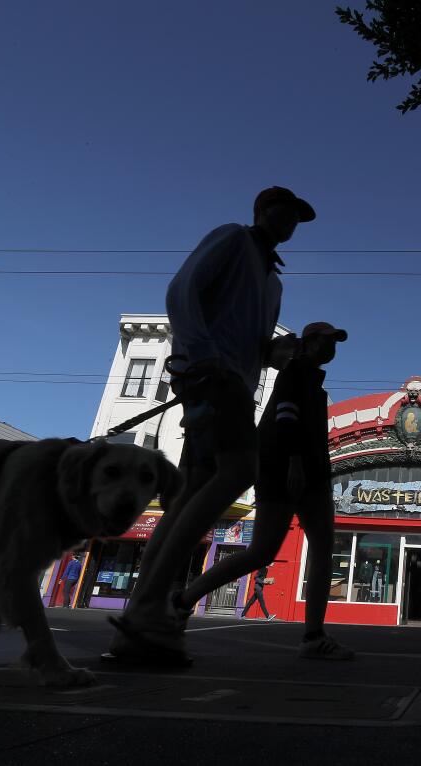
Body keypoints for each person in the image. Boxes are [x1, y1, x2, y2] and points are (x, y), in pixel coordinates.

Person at [106, 187, 316, 665]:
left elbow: (260, 347)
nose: (290, 223)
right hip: (210, 374)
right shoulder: (233, 240)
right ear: (263, 210)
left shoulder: (274, 282)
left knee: (187, 496)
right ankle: (148, 611)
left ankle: (141, 616)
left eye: (297, 219)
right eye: (284, 211)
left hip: (236, 382)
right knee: (240, 468)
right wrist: (199, 355)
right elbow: (182, 290)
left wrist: (280, 354)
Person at [176, 322, 355, 660]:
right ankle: (184, 600)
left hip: (306, 472)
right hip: (286, 470)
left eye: (334, 343)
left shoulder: (310, 379)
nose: (331, 348)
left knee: (314, 550)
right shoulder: (295, 372)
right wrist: (296, 463)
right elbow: (286, 419)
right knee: (268, 551)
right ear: (307, 343)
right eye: (326, 340)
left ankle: (314, 635)